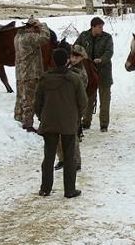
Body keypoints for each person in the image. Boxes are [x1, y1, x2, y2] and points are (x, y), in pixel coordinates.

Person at [34, 48, 87, 198]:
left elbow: (37, 103)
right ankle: (69, 190)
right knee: (69, 157)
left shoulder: (44, 79)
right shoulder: (75, 79)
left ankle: (45, 188)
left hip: (49, 122)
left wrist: (42, 117)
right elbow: (83, 102)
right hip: (69, 123)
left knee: (49, 156)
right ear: (67, 60)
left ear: (53, 61)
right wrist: (76, 118)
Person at [74, 17, 114, 132]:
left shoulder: (107, 37)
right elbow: (76, 47)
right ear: (93, 27)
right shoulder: (84, 36)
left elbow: (109, 52)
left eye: (102, 27)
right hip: (89, 73)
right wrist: (82, 56)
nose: (102, 29)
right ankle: (86, 121)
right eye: (99, 27)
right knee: (88, 98)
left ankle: (104, 124)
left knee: (105, 100)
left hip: (103, 73)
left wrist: (101, 59)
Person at [55, 44, 88, 171]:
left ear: (82, 58)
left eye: (76, 56)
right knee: (58, 136)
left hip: (72, 108)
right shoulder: (69, 68)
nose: (73, 58)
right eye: (72, 55)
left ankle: (76, 162)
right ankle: (62, 159)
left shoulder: (80, 73)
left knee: (72, 138)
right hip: (62, 106)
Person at [14, 17, 50, 132]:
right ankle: (27, 124)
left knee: (20, 97)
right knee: (30, 100)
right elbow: (45, 38)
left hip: (20, 73)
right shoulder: (30, 37)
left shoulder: (18, 36)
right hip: (30, 73)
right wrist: (43, 25)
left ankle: (18, 118)